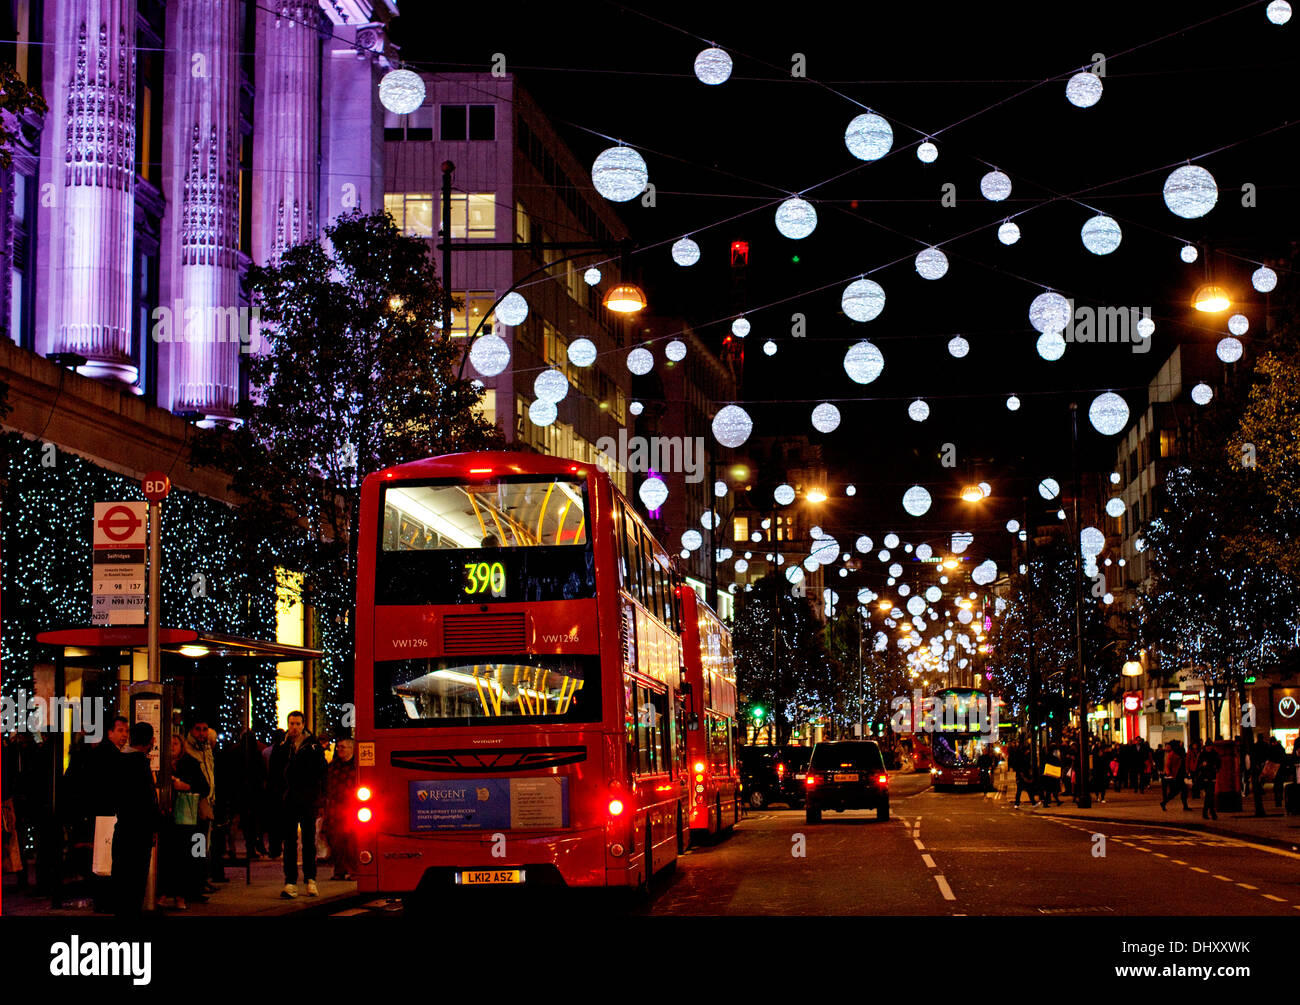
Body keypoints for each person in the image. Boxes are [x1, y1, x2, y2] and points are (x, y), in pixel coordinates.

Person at [269, 712, 327, 898]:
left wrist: (320, 798)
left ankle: (310, 879)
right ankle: (291, 881)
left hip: (307, 800)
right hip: (289, 800)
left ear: (303, 725)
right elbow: (274, 773)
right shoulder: (283, 746)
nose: (294, 727)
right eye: (291, 723)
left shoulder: (312, 747)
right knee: (290, 842)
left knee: (308, 841)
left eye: (297, 724)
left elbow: (321, 773)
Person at [110, 722, 158, 917]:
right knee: (136, 879)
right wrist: (153, 827)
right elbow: (147, 801)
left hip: (123, 827)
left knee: (122, 876)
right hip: (140, 831)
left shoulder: (119, 761)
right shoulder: (140, 764)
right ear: (151, 741)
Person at [159, 734, 209, 910]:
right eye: (169, 743)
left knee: (184, 856)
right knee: (165, 857)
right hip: (165, 817)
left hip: (185, 816)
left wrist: (186, 786)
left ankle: (181, 895)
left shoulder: (190, 763)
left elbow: (204, 788)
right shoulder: (159, 764)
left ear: (181, 746)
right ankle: (164, 893)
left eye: (175, 743)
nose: (172, 747)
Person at [184, 716, 218, 891]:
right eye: (198, 729)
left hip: (207, 801)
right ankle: (196, 881)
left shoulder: (207, 749)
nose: (202, 733)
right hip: (193, 803)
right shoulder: (187, 749)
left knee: (203, 843)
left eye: (205, 729)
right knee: (196, 843)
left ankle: (201, 879)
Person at [324, 738, 359, 880]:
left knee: (352, 842)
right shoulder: (333, 766)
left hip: (352, 808)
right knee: (336, 841)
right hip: (335, 809)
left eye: (342, 747)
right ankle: (339, 870)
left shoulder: (357, 766)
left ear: (351, 749)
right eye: (338, 747)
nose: (339, 750)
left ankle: (354, 870)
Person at [237, 727, 268, 859]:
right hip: (256, 792)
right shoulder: (257, 754)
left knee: (248, 822)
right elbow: (263, 773)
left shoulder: (238, 754)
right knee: (256, 821)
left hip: (243, 792)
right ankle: (258, 844)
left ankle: (251, 846)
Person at [263, 728, 285, 857]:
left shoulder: (266, 752)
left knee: (272, 821)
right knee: (280, 820)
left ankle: (273, 847)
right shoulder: (285, 751)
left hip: (270, 790)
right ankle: (278, 846)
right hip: (281, 790)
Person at [1160, 740, 1189, 811]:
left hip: (1180, 775)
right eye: (1179, 744)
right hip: (1176, 776)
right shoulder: (1172, 754)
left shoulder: (1180, 752)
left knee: (1178, 791)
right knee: (1179, 791)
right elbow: (1167, 765)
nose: (1180, 745)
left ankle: (1164, 803)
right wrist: (1169, 773)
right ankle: (1164, 803)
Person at [1197, 742, 1221, 820]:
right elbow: (1198, 765)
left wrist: (1217, 769)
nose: (1209, 748)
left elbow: (1219, 763)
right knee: (1209, 795)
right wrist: (1202, 765)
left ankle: (1207, 812)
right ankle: (1211, 812)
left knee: (1209, 795)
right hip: (1205, 777)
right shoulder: (1202, 754)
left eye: (1210, 746)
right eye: (1207, 746)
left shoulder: (1215, 754)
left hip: (1212, 776)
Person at [1010, 741, 1037, 808]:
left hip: (1021, 776)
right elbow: (1022, 767)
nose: (1028, 751)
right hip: (1022, 776)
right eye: (1027, 750)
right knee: (1026, 790)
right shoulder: (1023, 758)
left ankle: (1017, 804)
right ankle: (1032, 803)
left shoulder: (1021, 757)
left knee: (1022, 790)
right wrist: (1023, 775)